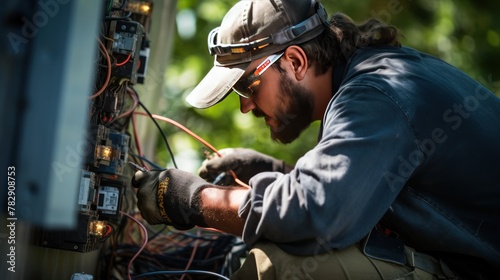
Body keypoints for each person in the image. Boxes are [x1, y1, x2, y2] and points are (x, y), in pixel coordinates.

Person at [133, 0, 500, 279]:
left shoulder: (375, 97)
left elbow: (315, 215)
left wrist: (193, 200)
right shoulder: (380, 73)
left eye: (247, 85)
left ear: (294, 61)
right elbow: (357, 190)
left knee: (278, 264)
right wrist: (276, 170)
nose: (245, 106)